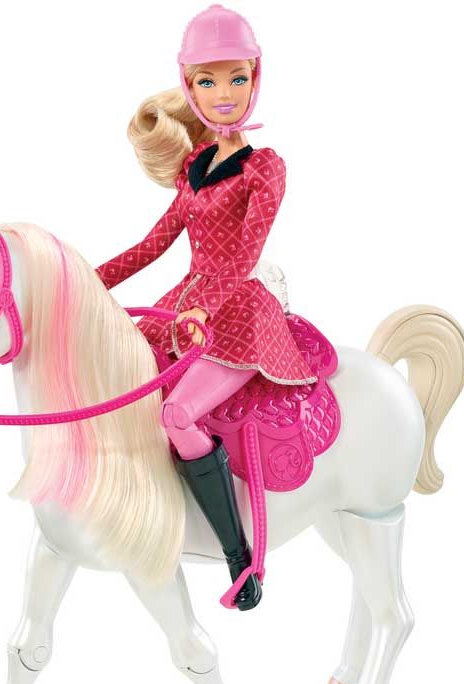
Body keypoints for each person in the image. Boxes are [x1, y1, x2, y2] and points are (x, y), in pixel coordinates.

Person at [95, 4, 317, 610]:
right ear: (189, 87)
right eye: (208, 81)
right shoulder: (193, 168)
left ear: (255, 79)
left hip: (240, 311)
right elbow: (153, 244)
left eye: (237, 79)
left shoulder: (264, 168)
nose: (224, 94)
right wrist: (86, 282)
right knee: (123, 389)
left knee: (177, 414)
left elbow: (245, 255)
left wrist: (206, 308)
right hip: (187, 304)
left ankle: (239, 557)